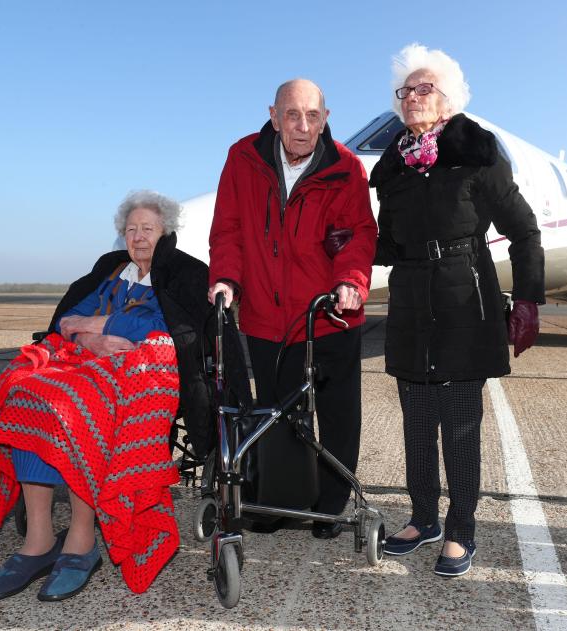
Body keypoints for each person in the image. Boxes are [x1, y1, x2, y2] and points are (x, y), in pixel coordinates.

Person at [0, 191, 226, 599]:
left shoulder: (185, 273)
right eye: (131, 229)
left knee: (73, 406)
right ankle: (38, 540)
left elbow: (173, 330)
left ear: (166, 233)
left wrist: (98, 325)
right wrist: (94, 336)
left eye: (148, 229)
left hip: (139, 375)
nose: (139, 237)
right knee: (24, 390)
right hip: (85, 362)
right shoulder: (111, 271)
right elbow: (67, 320)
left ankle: (82, 542)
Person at [370, 44, 545, 577]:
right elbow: (389, 245)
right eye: (406, 90)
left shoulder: (477, 154)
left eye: (424, 89)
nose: (412, 98)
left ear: (447, 100)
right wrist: (344, 245)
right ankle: (424, 519)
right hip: (410, 301)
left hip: (465, 298)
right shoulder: (394, 169)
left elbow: (524, 230)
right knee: (418, 424)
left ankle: (462, 528)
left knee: (461, 424)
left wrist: (530, 299)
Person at [208, 79, 377, 538]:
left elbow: (358, 235)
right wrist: (225, 279)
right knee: (279, 417)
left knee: (339, 418)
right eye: (292, 115)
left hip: (328, 315)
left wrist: (351, 282)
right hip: (267, 318)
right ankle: (281, 503)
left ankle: (330, 507)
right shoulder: (242, 159)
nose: (303, 127)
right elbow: (228, 230)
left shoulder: (346, 167)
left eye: (313, 116)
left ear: (326, 117)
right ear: (273, 114)